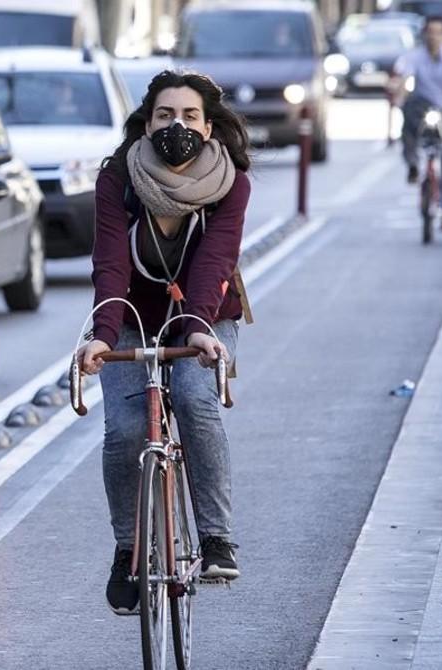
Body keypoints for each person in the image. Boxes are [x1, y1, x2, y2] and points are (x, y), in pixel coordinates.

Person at [74, 70, 252, 615]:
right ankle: (129, 549)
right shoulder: (117, 180)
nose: (178, 125)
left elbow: (216, 260)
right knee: (126, 429)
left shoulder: (231, 183)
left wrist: (199, 326)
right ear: (146, 123)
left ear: (209, 124)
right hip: (129, 319)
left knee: (197, 400)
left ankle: (217, 538)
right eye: (165, 115)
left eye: (190, 116)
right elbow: (109, 263)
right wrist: (102, 337)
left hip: (204, 318)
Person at [387, 15, 442, 231]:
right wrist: (400, 100)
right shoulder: (415, 57)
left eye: (437, 33)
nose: (433, 37)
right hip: (422, 110)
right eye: (429, 32)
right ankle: (413, 165)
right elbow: (406, 81)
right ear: (424, 34)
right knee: (407, 124)